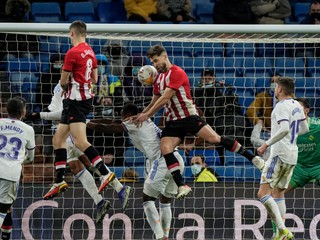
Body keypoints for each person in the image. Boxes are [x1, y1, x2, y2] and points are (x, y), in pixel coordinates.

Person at [134, 45, 265, 199]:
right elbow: (155, 100)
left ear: (165, 56)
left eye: (156, 61)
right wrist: (143, 114)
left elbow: (165, 98)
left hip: (189, 117)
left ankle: (254, 158)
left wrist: (147, 114)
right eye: (152, 62)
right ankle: (182, 185)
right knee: (165, 147)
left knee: (215, 139)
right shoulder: (158, 78)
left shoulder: (177, 73)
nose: (155, 65)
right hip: (173, 121)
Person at [29, 82, 132, 218]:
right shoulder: (61, 85)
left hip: (68, 128)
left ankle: (116, 191)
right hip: (62, 128)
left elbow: (64, 113)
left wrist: (39, 115)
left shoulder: (73, 85)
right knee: (77, 165)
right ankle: (105, 198)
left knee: (83, 161)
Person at [42, 20, 116, 202]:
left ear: (71, 33)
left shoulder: (72, 53)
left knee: (81, 142)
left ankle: (106, 174)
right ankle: (59, 180)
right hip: (80, 99)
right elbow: (95, 78)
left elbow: (62, 81)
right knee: (58, 139)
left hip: (75, 100)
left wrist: (72, 87)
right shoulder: (91, 52)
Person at [87, 103, 184, 240]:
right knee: (165, 200)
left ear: (127, 116)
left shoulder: (134, 121)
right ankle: (166, 236)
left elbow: (110, 128)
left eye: (123, 117)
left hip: (162, 161)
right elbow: (112, 121)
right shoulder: (144, 119)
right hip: (177, 160)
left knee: (147, 200)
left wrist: (87, 124)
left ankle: (160, 237)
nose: (123, 120)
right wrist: (89, 120)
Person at [256, 77, 309, 240]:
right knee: (279, 193)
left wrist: (266, 144)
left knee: (263, 194)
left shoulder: (280, 106)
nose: (274, 88)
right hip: (292, 155)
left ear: (280, 89)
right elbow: (305, 129)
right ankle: (279, 234)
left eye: (276, 86)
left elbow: (285, 129)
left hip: (279, 154)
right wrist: (290, 135)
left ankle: (282, 230)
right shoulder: (296, 106)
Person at [0, 97, 35, 236]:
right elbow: (31, 157)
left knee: (7, 210)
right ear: (23, 112)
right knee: (3, 210)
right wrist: (19, 161)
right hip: (10, 173)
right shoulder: (28, 129)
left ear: (6, 110)